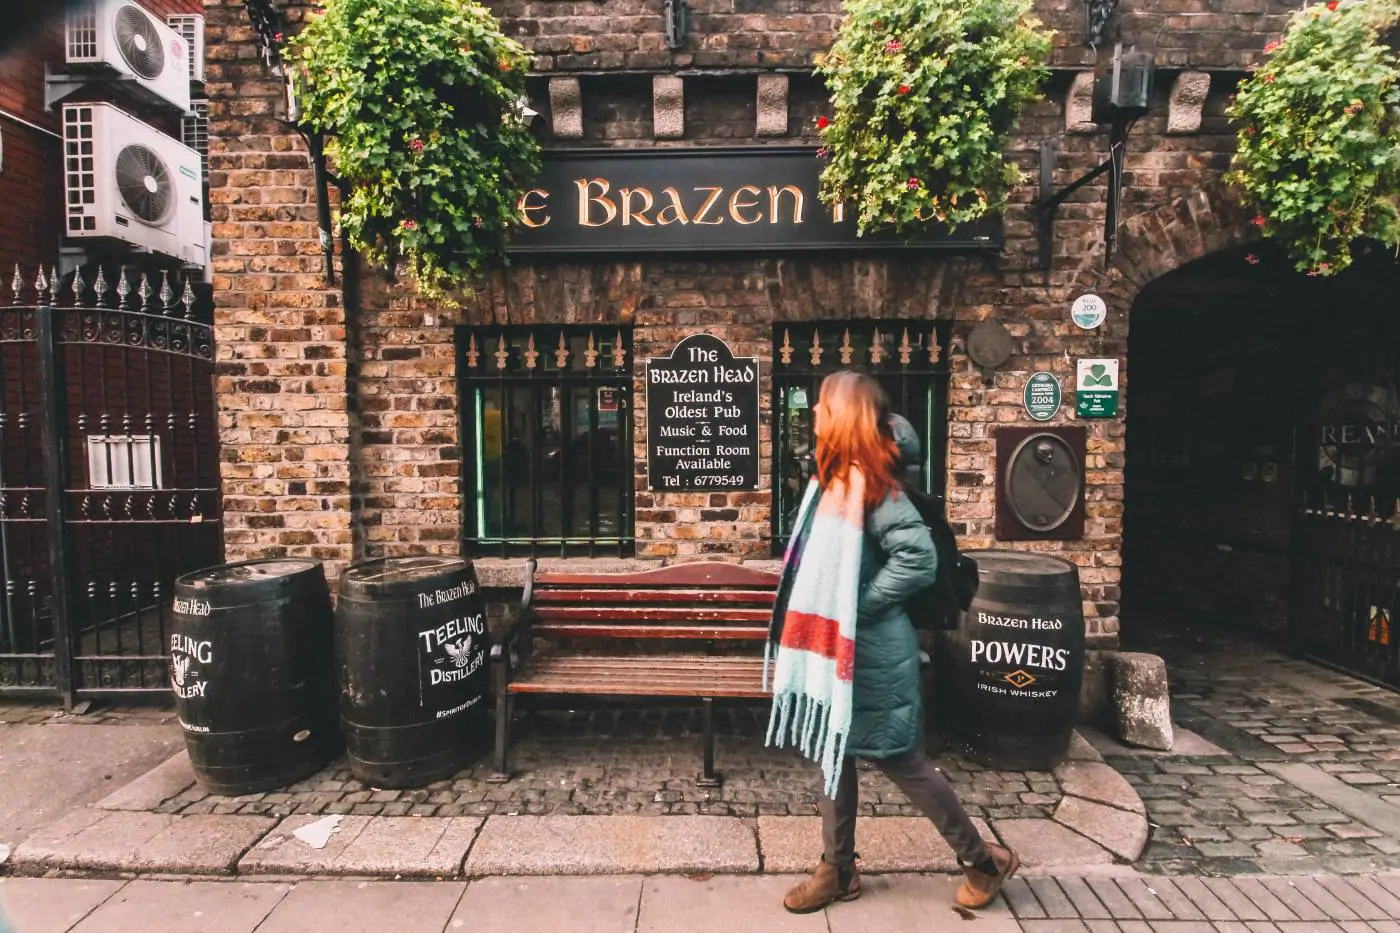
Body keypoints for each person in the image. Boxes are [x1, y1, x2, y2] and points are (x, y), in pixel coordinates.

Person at [765, 370, 1017, 914]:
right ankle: (838, 870)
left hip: (872, 651)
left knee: (903, 761)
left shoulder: (874, 485)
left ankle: (983, 861)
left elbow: (918, 560)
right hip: (840, 649)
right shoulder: (832, 480)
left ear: (845, 416)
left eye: (823, 406)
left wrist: (856, 607)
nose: (813, 414)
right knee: (834, 754)